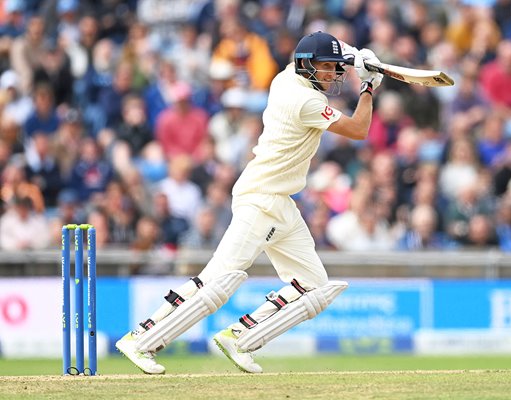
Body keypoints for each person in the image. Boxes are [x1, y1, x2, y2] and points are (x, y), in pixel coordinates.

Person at [116, 31, 383, 374]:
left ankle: (239, 337)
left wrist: (351, 55)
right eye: (328, 68)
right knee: (218, 280)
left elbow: (316, 49)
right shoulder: (307, 102)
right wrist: (368, 86)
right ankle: (140, 339)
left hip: (281, 201)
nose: (334, 74)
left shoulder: (286, 77)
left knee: (313, 285)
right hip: (261, 198)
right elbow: (359, 130)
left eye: (336, 67)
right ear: (307, 66)